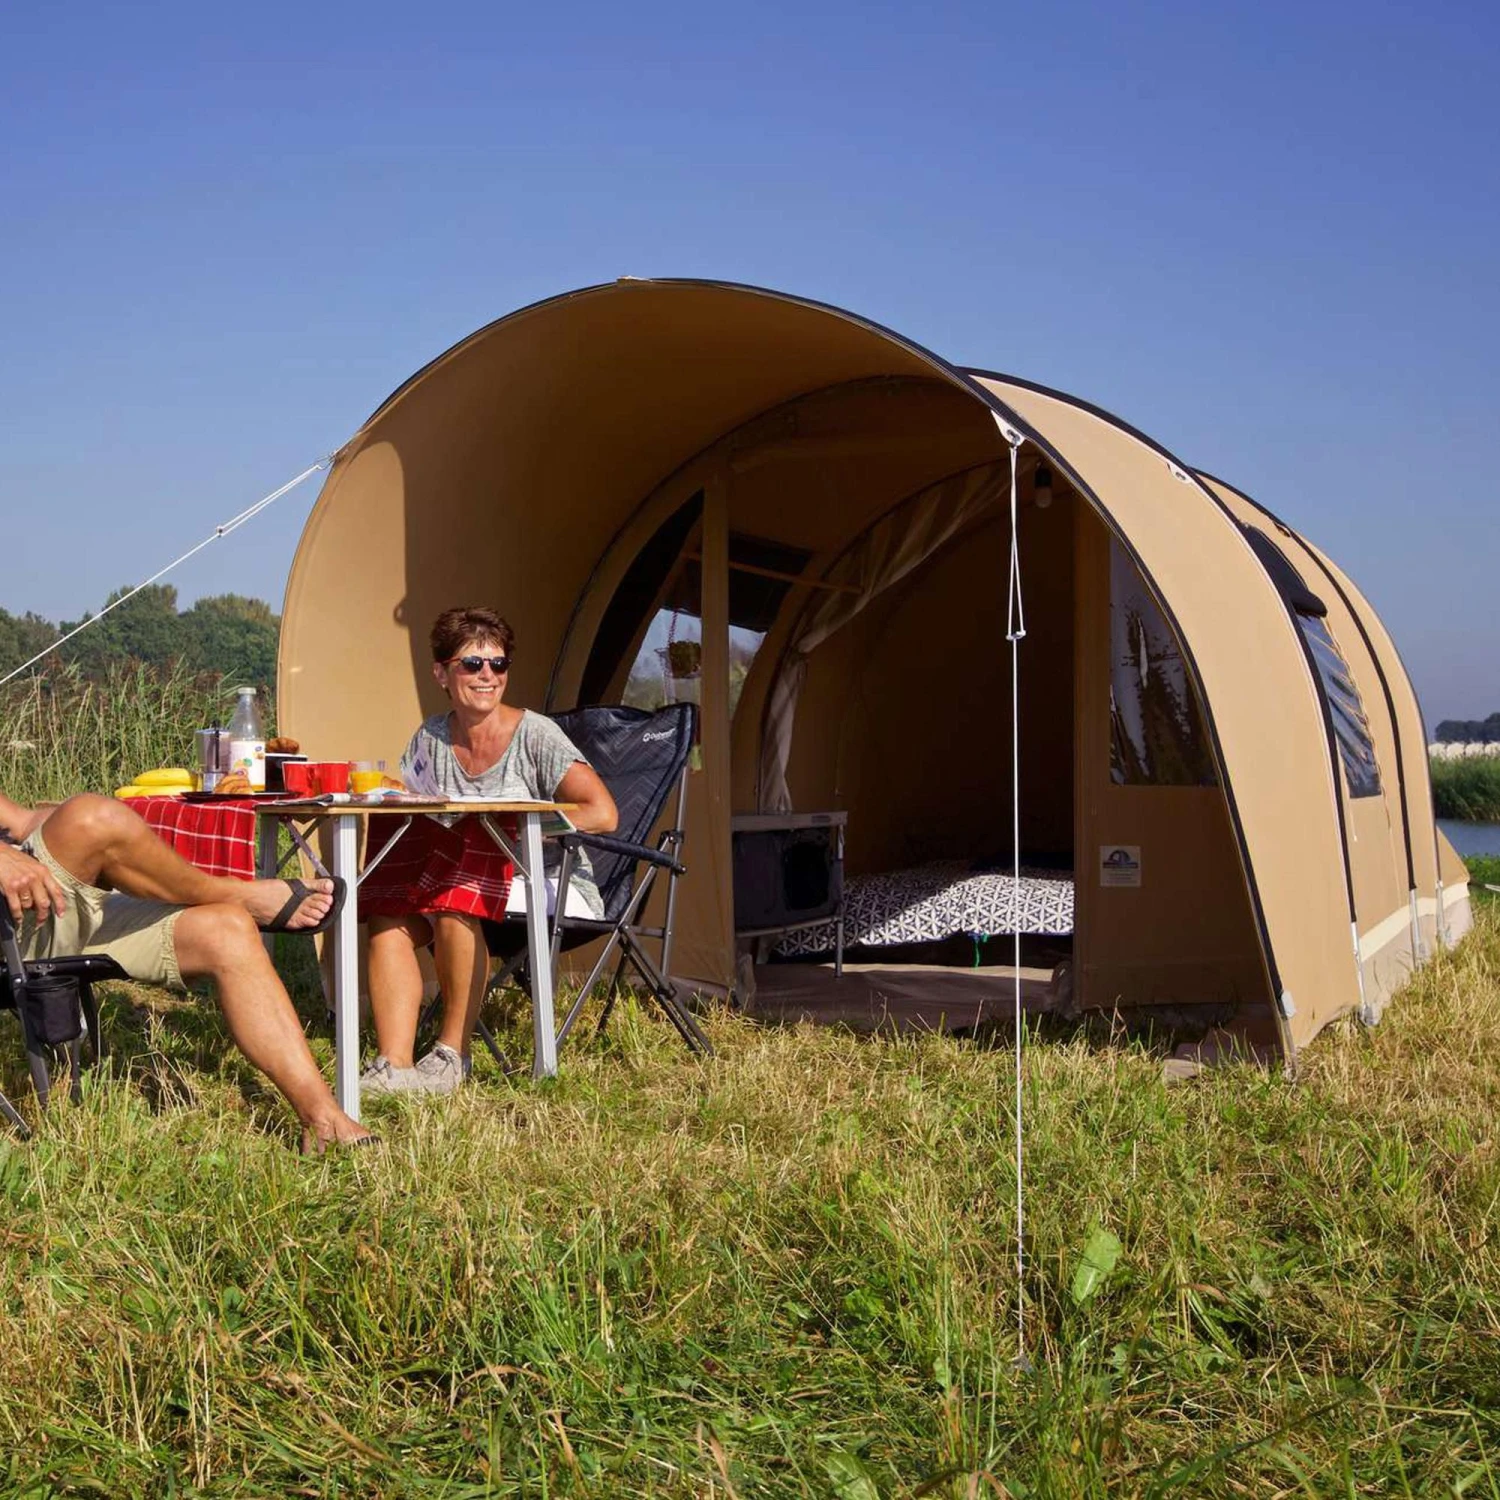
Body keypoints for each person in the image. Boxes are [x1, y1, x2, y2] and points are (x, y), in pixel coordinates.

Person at [0, 789, 376, 1153]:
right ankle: (237, 892)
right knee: (92, 818)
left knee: (226, 929)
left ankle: (324, 1120)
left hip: (37, 910)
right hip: (12, 929)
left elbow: (21, 822)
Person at [361, 606, 618, 1095]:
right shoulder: (431, 737)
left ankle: (451, 1056)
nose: (487, 675)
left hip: (547, 880)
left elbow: (602, 813)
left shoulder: (535, 735)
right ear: (442, 673)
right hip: (455, 879)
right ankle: (394, 1065)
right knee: (388, 915)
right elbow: (417, 807)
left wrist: (518, 826)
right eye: (472, 664)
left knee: (453, 898)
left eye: (498, 664)